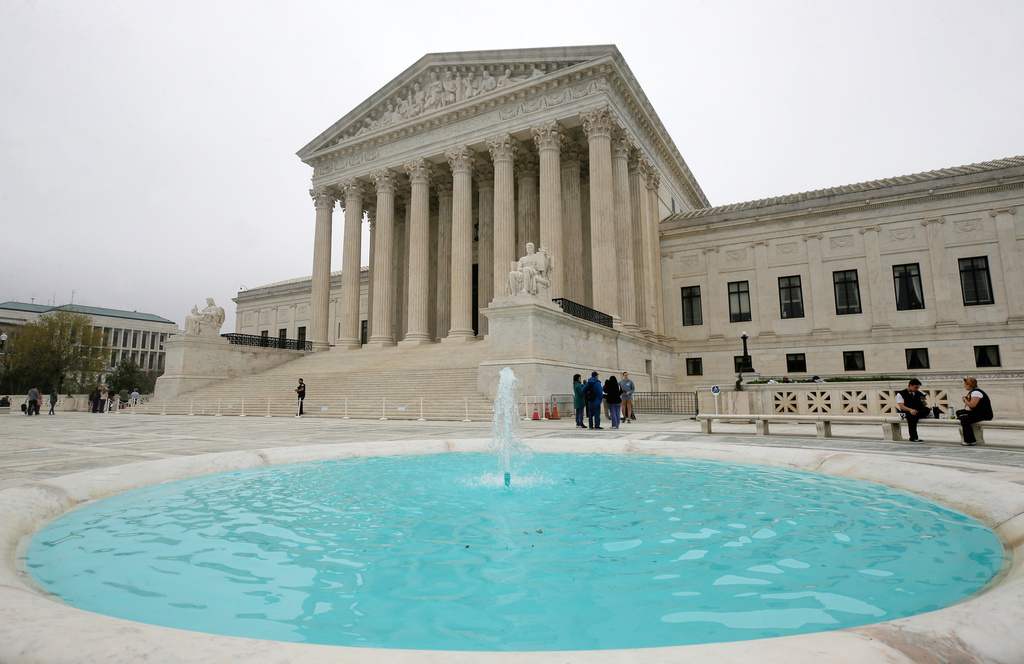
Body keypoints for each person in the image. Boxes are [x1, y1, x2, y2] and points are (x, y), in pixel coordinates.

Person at [958, 376, 993, 446]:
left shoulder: (976, 392)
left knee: (965, 420)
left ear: (969, 385)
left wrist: (965, 400)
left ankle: (970, 441)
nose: (964, 386)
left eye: (965, 384)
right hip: (978, 413)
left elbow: (972, 405)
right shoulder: (973, 392)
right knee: (960, 413)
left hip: (984, 414)